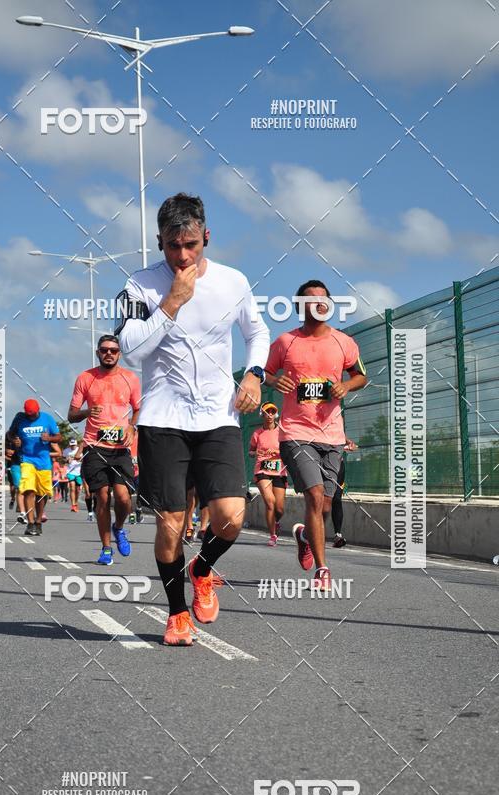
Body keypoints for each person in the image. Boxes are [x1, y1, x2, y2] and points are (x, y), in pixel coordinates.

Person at [117, 192, 269, 645]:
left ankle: (203, 568)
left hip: (219, 416)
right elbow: (131, 349)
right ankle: (177, 613)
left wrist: (256, 376)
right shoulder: (138, 286)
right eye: (171, 246)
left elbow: (257, 332)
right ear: (159, 241)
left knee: (231, 516)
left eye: (190, 245)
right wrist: (172, 302)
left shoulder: (233, 281)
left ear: (206, 237)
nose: (181, 256)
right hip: (163, 419)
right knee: (170, 526)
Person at [266, 280, 366, 589]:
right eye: (311, 300)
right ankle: (323, 570)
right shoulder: (286, 342)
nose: (318, 303)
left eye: (323, 299)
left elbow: (360, 375)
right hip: (295, 432)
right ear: (300, 307)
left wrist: (345, 387)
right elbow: (263, 371)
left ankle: (305, 536)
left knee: (324, 504)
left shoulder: (344, 342)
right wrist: (274, 381)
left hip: (332, 433)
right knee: (313, 495)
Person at [68, 334, 141, 565]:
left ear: (119, 353)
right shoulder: (85, 378)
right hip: (94, 446)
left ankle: (119, 527)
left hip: (120, 448)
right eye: (104, 350)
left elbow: (139, 409)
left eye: (113, 350)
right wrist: (88, 412)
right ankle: (106, 548)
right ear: (98, 352)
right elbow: (72, 415)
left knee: (123, 498)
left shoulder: (130, 378)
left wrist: (132, 427)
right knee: (101, 496)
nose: (109, 353)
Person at [6, 399, 61, 536]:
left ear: (38, 410)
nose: (31, 417)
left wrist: (49, 438)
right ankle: (30, 524)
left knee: (42, 494)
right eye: (28, 415)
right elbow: (10, 434)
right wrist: (14, 440)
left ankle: (38, 522)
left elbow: (59, 437)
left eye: (33, 415)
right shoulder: (19, 419)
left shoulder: (47, 418)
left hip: (44, 461)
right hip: (27, 460)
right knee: (29, 490)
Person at [249, 402, 288, 546]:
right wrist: (255, 452)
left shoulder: (282, 432)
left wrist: (278, 453)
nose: (270, 415)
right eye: (267, 412)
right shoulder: (257, 434)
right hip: (262, 470)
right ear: (262, 414)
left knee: (279, 508)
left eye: (272, 412)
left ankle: (276, 522)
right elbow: (251, 452)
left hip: (279, 470)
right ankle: (272, 535)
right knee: (270, 502)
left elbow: (288, 450)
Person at [331, 438, 358, 547]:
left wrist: (349, 444)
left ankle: (338, 535)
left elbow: (354, 446)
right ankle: (312, 533)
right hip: (322, 465)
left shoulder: (339, 432)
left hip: (338, 467)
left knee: (337, 499)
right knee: (322, 501)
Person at [63, 437, 83, 512]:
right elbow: (63, 459)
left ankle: (76, 502)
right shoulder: (66, 451)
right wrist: (67, 460)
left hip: (79, 471)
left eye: (74, 445)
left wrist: (79, 459)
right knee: (72, 487)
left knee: (77, 490)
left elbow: (84, 459)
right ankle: (73, 505)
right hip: (70, 471)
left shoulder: (80, 450)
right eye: (71, 445)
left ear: (76, 444)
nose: (73, 446)